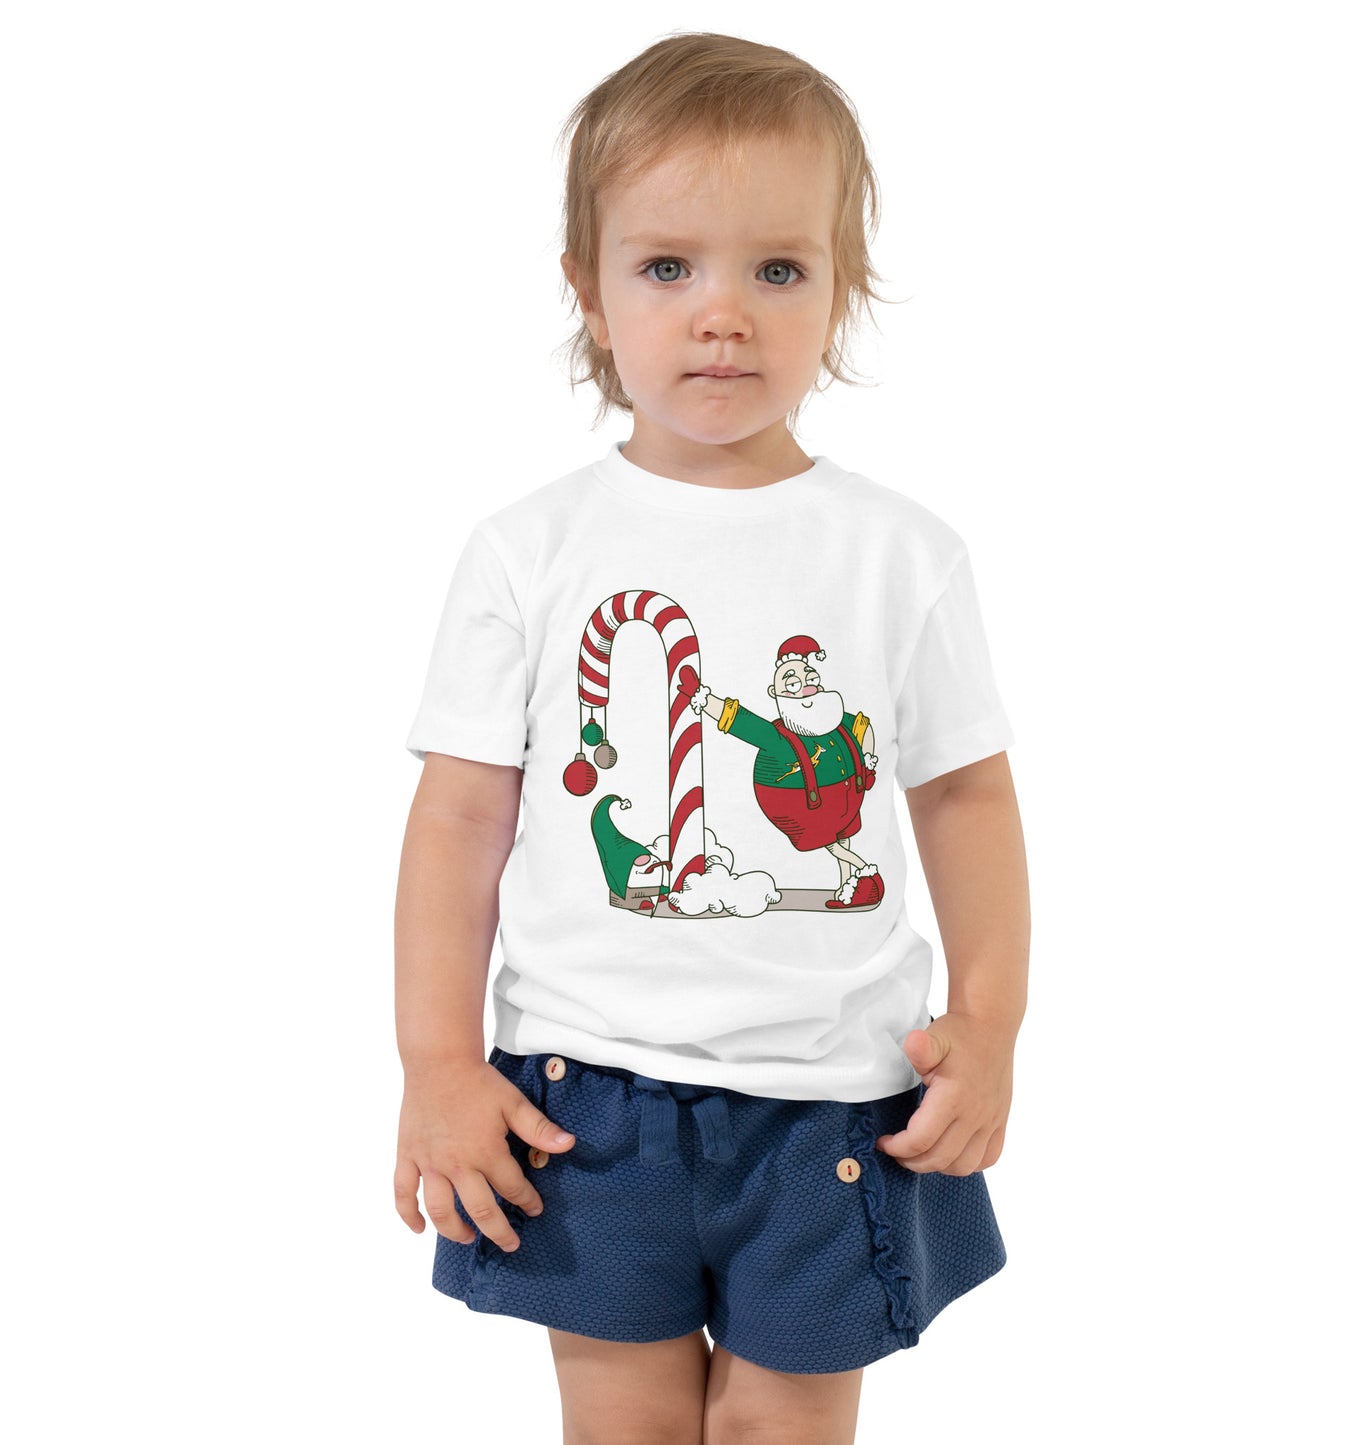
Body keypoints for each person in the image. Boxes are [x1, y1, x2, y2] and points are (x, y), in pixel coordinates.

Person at [394, 31, 1030, 1445]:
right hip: (585, 1096)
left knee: (780, 1429)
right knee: (619, 1421)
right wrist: (437, 1063)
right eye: (668, 266)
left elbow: (968, 800)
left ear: (840, 287)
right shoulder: (528, 552)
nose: (722, 315)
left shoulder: (898, 555)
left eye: (778, 270)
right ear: (590, 288)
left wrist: (988, 1023)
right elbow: (458, 820)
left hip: (833, 1097)